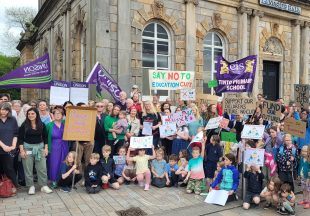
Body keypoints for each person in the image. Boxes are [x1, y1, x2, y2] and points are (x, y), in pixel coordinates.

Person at [18, 108, 53, 195]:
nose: (30, 115)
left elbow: (45, 137)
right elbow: (20, 139)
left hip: (40, 148)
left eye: (32, 113)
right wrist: (22, 151)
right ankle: (31, 186)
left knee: (42, 168)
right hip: (27, 149)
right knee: (28, 168)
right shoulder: (24, 125)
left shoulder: (42, 124)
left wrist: (46, 148)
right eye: (29, 114)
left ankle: (43, 186)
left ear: (36, 114)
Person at [46, 107, 68, 188]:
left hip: (64, 145)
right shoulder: (49, 125)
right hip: (54, 146)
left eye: (60, 113)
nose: (58, 115)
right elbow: (45, 138)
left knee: (64, 162)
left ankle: (62, 180)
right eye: (56, 113)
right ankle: (54, 180)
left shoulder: (66, 123)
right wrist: (47, 148)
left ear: (62, 115)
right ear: (53, 115)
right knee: (53, 163)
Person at [0, 103, 19, 188]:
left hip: (10, 149)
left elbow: (16, 134)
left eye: (6, 110)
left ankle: (13, 186)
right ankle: (2, 188)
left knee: (9, 168)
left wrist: (13, 146)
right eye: (2, 109)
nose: (4, 111)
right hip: (1, 147)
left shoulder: (13, 119)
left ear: (9, 111)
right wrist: (3, 146)